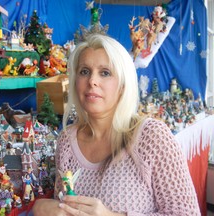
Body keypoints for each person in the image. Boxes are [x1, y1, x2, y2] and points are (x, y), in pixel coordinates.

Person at [32, 33, 200, 216]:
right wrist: (45, 209)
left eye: (105, 73)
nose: (92, 81)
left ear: (123, 85)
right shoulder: (66, 141)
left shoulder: (152, 137)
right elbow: (64, 205)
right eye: (84, 71)